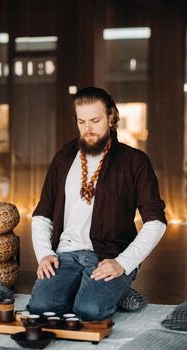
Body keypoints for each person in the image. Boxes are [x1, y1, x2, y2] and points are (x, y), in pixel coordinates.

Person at [28, 87, 167, 321]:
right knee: (40, 308)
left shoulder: (135, 161)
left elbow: (156, 222)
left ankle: (116, 286)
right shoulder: (63, 158)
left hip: (108, 255)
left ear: (111, 118)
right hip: (66, 254)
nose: (88, 129)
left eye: (95, 120)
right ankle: (102, 291)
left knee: (89, 311)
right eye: (81, 122)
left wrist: (122, 264)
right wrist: (44, 253)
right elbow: (42, 213)